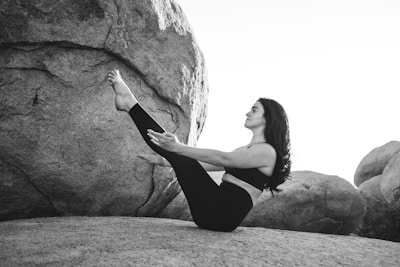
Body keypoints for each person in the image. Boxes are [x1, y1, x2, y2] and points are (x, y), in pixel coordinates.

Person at [107, 69, 291, 232]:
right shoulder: (246, 149)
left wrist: (179, 149)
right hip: (210, 213)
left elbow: (221, 159)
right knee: (177, 152)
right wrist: (166, 160)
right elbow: (207, 165)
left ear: (268, 117)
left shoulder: (267, 151)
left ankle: (129, 103)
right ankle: (128, 104)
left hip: (223, 213)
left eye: (254, 109)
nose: (247, 113)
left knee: (175, 148)